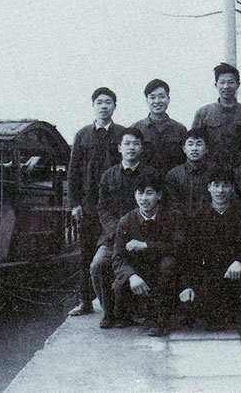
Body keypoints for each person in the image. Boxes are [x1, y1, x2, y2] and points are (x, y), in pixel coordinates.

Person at [178, 167, 241, 339]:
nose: (220, 190)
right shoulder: (198, 217)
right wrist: (188, 284)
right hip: (212, 273)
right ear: (209, 187)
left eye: (225, 186)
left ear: (232, 188)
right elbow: (190, 254)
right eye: (216, 185)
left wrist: (240, 261)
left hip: (239, 271)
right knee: (211, 321)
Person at [67, 87, 126, 317]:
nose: (104, 106)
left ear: (114, 106)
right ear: (93, 106)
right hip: (89, 206)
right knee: (86, 253)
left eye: (108, 102)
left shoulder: (122, 134)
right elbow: (73, 172)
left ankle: (117, 301)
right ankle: (85, 301)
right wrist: (75, 204)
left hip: (115, 206)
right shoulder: (82, 135)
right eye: (99, 102)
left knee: (116, 251)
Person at [92, 128, 157, 328]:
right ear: (120, 148)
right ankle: (109, 312)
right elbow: (102, 208)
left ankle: (142, 310)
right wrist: (117, 231)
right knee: (99, 264)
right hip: (113, 236)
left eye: (136, 144)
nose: (131, 148)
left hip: (144, 235)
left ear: (142, 148)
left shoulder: (151, 173)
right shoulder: (108, 176)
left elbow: (158, 206)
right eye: (127, 143)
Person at [112, 174, 181, 337]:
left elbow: (179, 247)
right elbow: (117, 257)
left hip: (163, 273)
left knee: (169, 264)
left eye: (149, 193)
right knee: (119, 290)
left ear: (159, 195)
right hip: (138, 272)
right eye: (139, 193)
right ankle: (132, 313)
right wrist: (132, 276)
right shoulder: (126, 221)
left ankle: (161, 319)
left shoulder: (172, 217)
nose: (143, 198)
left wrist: (146, 245)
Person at [192, 63, 241, 167]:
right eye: (222, 82)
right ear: (216, 85)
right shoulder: (203, 113)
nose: (226, 86)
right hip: (210, 170)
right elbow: (194, 144)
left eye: (231, 82)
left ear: (238, 85)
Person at [130, 79, 188, 175]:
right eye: (152, 97)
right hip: (145, 181)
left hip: (173, 181)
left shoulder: (180, 129)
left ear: (168, 99)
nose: (157, 101)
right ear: (147, 100)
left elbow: (185, 161)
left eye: (161, 97)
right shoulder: (136, 128)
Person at [164, 128, 213, 218]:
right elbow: (172, 204)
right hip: (181, 222)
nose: (194, 148)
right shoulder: (173, 175)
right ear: (184, 149)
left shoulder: (213, 173)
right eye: (190, 144)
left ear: (206, 149)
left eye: (199, 144)